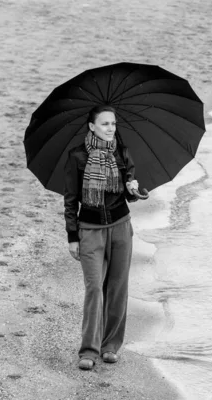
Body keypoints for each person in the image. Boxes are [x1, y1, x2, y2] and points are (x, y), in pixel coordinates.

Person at [63, 105, 139, 370]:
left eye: (114, 124)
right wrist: (73, 236)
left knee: (117, 287)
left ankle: (110, 346)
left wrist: (133, 188)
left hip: (120, 226)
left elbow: (130, 192)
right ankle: (89, 351)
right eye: (105, 124)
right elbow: (71, 200)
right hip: (90, 230)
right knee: (94, 288)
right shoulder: (77, 157)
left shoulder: (122, 153)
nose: (110, 129)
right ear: (91, 126)